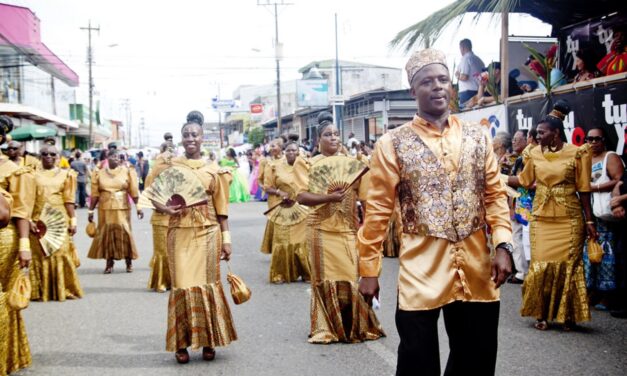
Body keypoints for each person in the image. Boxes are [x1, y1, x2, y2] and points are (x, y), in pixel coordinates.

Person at [358, 49, 513, 375]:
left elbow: (495, 196)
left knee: (477, 357)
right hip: (421, 269)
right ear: (413, 91)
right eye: (427, 81)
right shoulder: (392, 143)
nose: (438, 87)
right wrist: (368, 269)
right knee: (417, 359)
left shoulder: (477, 135)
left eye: (443, 79)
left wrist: (502, 245)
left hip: (475, 266)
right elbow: (377, 210)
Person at [150, 111, 236, 364]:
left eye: (195, 135)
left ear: (202, 138)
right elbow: (154, 196)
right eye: (186, 135)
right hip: (179, 233)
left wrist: (227, 239)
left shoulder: (214, 170)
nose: (190, 139)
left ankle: (209, 340)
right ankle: (181, 343)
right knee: (182, 286)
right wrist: (164, 208)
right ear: (181, 138)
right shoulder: (171, 166)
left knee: (208, 285)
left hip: (208, 233)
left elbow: (222, 210)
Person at [295, 111, 385, 344]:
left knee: (349, 274)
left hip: (347, 227)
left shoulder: (356, 165)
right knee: (323, 278)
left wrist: (369, 227)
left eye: (336, 134)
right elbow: (302, 197)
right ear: (318, 140)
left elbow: (366, 199)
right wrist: (328, 199)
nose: (333, 138)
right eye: (327, 135)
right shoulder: (306, 163)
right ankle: (326, 326)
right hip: (319, 229)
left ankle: (353, 324)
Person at [513, 101, 596, 331]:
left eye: (541, 132)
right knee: (540, 264)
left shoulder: (578, 153)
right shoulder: (534, 154)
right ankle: (541, 314)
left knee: (568, 266)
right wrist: (495, 180)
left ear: (556, 133)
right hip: (541, 217)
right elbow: (524, 181)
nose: (536, 137)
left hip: (569, 219)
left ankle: (567, 315)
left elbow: (584, 190)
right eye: (536, 133)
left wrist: (589, 220)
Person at [0, 115, 35, 374]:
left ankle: (5, 355)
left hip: (4, 240)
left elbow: (22, 212)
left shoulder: (14, 170)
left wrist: (24, 244)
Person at [29, 144, 83, 302]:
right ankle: (40, 291)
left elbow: (69, 200)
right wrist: (28, 219)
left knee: (60, 252)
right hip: (38, 218)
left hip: (59, 219)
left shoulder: (66, 175)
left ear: (58, 157)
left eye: (52, 154)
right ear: (40, 156)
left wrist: (73, 220)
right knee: (40, 254)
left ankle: (63, 289)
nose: (48, 156)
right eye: (44, 153)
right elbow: (27, 198)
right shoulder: (31, 174)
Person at [583, 128, 624, 311]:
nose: (592, 142)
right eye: (589, 139)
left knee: (608, 255)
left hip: (608, 215)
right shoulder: (587, 159)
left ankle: (609, 295)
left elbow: (619, 180)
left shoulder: (611, 156)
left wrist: (595, 188)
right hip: (592, 215)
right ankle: (595, 291)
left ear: (604, 140)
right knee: (592, 254)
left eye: (596, 139)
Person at [87, 149, 143, 274]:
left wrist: (138, 207)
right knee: (107, 234)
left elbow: (134, 190)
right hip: (105, 208)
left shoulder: (127, 171)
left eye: (118, 156)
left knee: (125, 232)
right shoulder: (99, 173)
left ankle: (129, 262)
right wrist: (90, 211)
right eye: (113, 156)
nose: (116, 158)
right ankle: (109, 263)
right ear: (107, 158)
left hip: (122, 207)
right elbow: (95, 194)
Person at [263, 141, 311, 283]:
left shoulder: (306, 166)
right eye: (288, 150)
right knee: (282, 240)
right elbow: (267, 187)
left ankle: (306, 273)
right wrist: (279, 192)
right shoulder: (274, 166)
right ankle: (280, 273)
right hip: (282, 208)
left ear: (298, 152)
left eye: (294, 150)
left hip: (301, 209)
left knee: (301, 242)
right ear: (284, 152)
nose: (291, 153)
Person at [506, 130, 531, 284]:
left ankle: (527, 272)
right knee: (517, 237)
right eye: (513, 139)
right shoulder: (518, 160)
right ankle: (522, 271)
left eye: (517, 139)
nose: (514, 142)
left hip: (529, 204)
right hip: (517, 204)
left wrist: (504, 178)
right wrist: (510, 205)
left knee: (527, 239)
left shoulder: (530, 159)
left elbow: (523, 182)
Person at [259, 138, 284, 254]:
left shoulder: (288, 160)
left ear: (281, 147)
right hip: (274, 198)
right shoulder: (266, 162)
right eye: (271, 146)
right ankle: (277, 248)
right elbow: (261, 180)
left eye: (274, 146)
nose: (272, 148)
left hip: (289, 197)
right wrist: (267, 188)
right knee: (276, 222)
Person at [456, 38, 485, 107]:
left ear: (462, 48)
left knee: (466, 114)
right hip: (479, 91)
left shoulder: (465, 58)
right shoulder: (479, 60)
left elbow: (464, 77)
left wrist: (457, 75)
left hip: (467, 92)